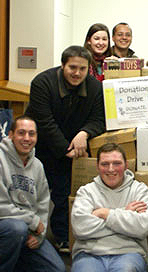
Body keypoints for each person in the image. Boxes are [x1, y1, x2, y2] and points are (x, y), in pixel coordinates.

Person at [25, 45, 106, 251]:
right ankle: (27, 233)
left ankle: (62, 237)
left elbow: (99, 119)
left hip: (74, 146)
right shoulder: (42, 83)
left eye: (82, 68)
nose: (77, 73)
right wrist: (65, 149)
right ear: (62, 66)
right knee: (33, 193)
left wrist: (84, 133)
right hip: (42, 147)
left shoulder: (95, 87)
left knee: (64, 193)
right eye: (72, 67)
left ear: (89, 68)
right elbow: (44, 121)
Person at [71, 143, 148, 272]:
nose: (111, 169)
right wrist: (125, 214)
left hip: (128, 253)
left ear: (126, 165)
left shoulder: (139, 190)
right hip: (89, 254)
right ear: (97, 166)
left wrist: (105, 213)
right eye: (105, 164)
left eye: (117, 163)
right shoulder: (86, 192)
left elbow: (142, 227)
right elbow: (80, 228)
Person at [0, 116, 66, 272]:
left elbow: (43, 204)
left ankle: (14, 264)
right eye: (21, 133)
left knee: (57, 270)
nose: (27, 138)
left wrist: (40, 235)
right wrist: (32, 221)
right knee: (17, 229)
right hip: (7, 227)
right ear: (10, 135)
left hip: (28, 230)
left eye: (32, 134)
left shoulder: (37, 165)